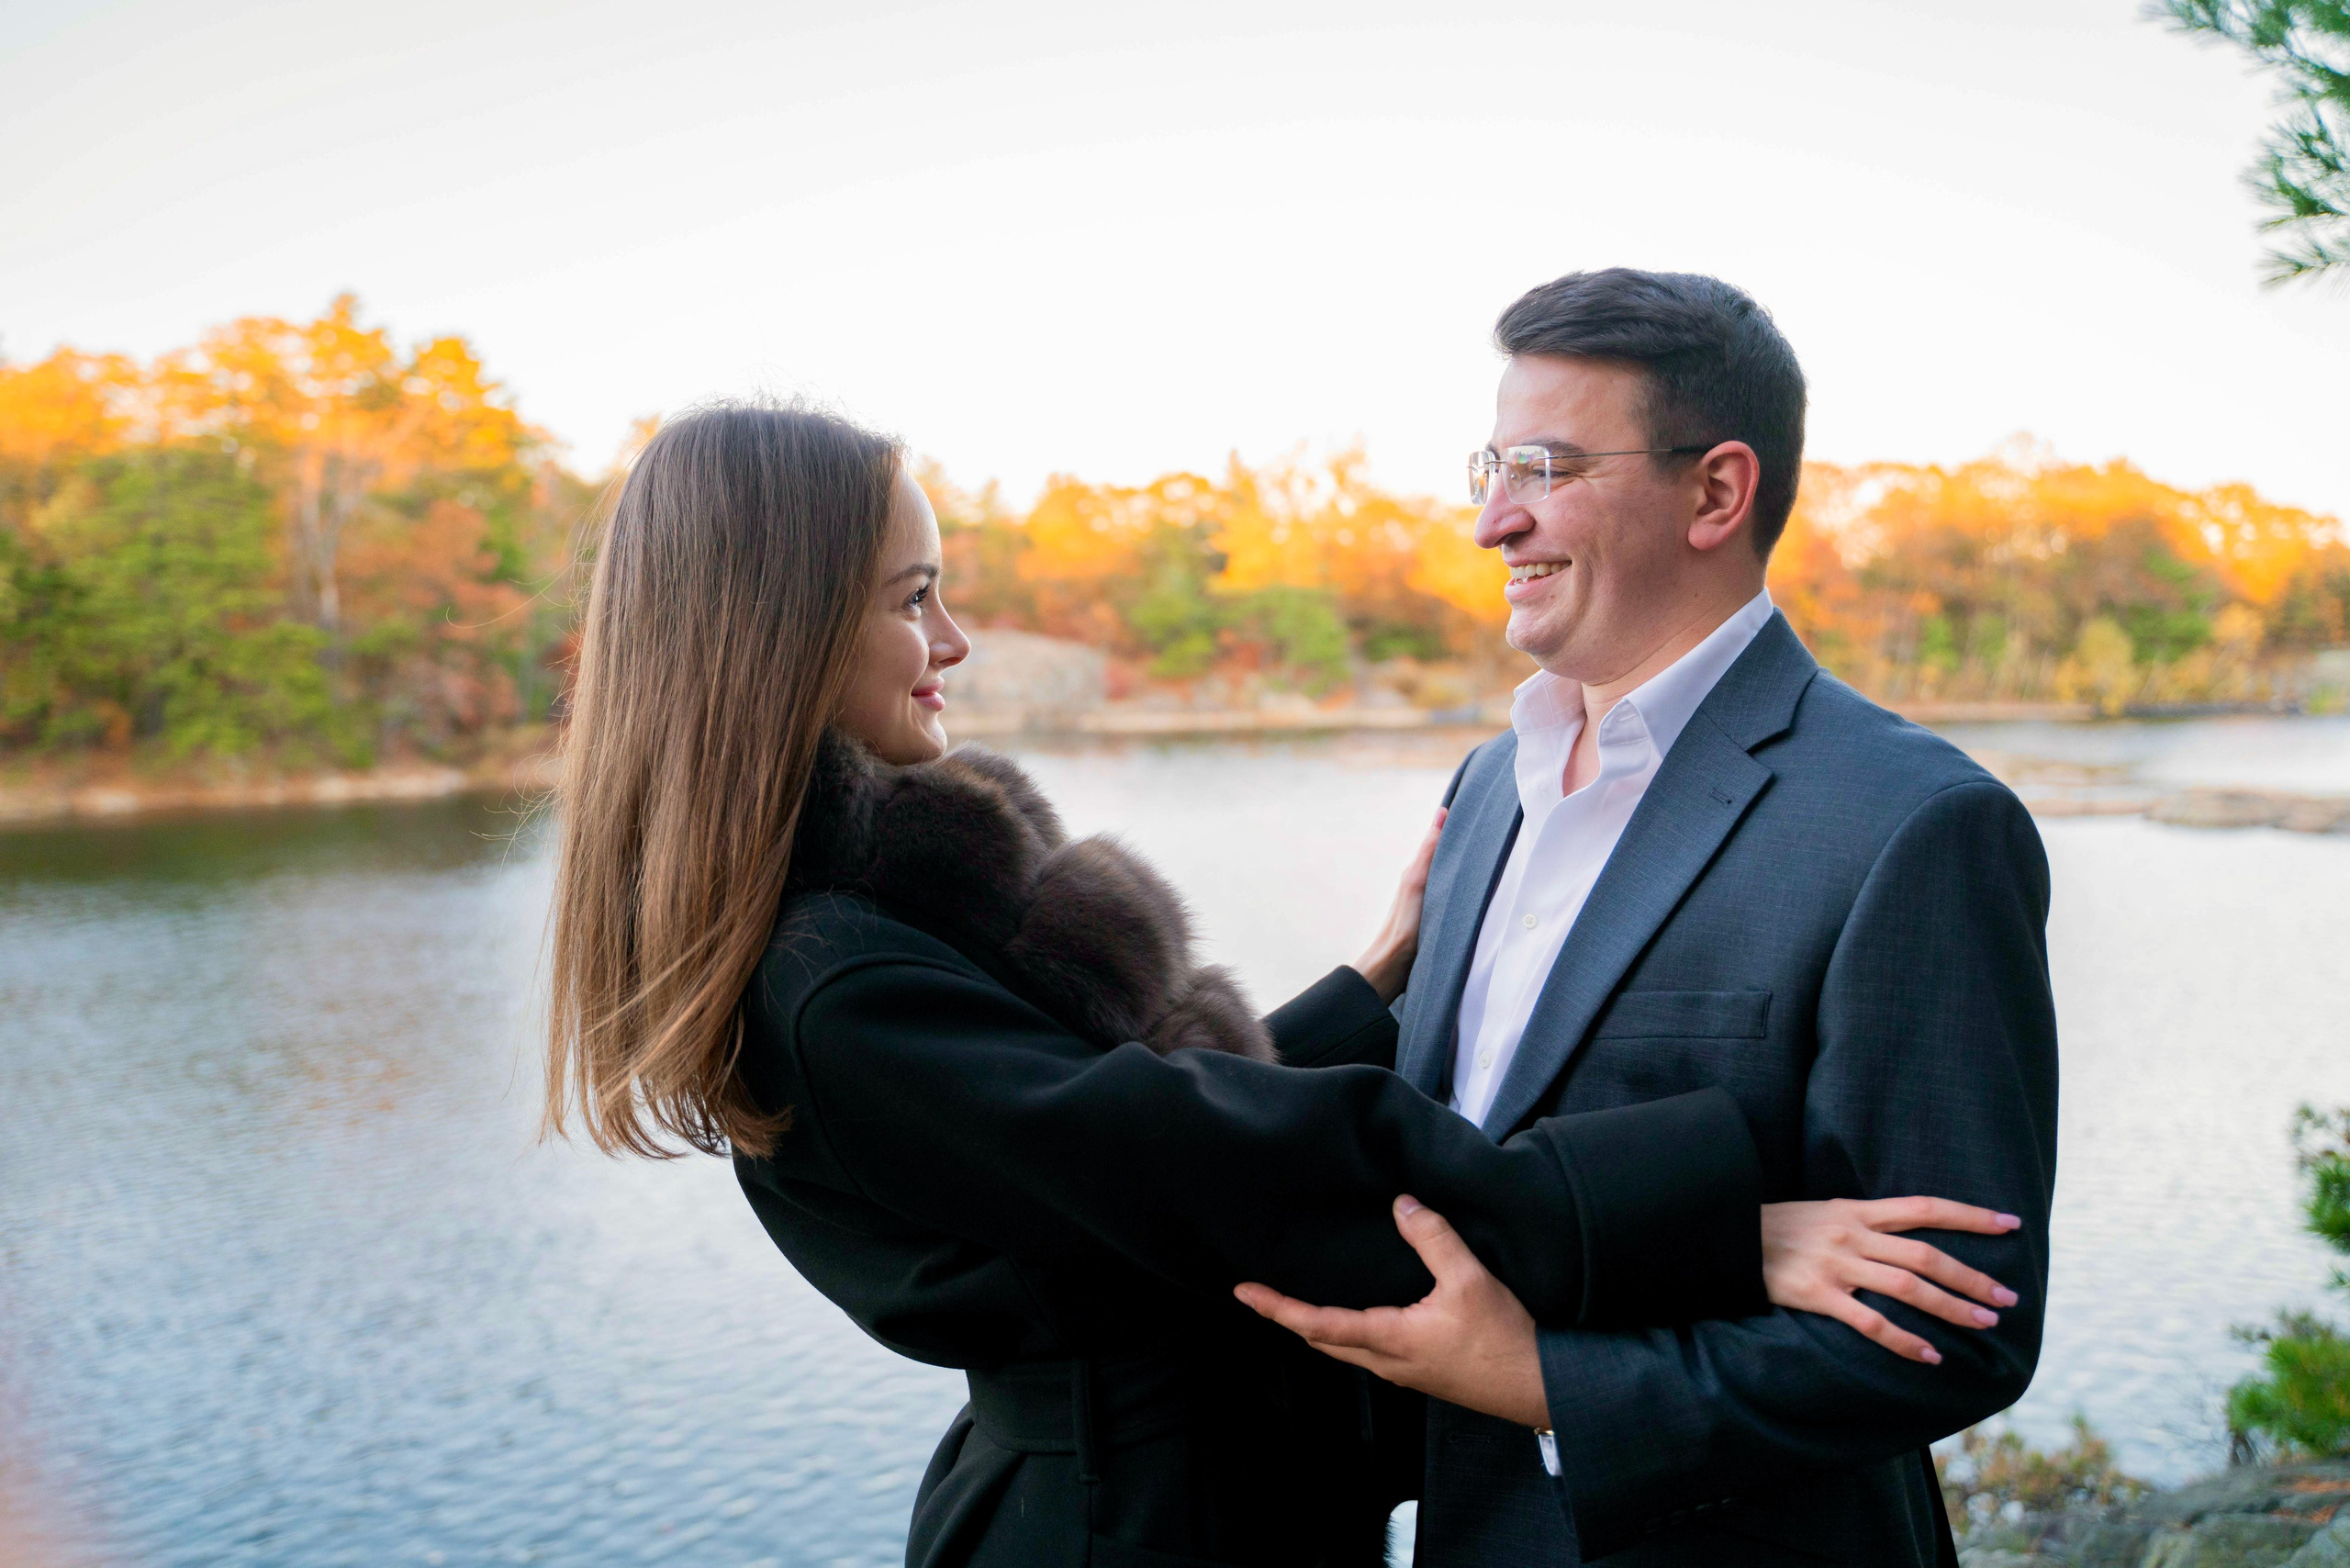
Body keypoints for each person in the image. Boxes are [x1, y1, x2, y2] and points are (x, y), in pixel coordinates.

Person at [541, 400, 2025, 1567]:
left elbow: (1124, 1122)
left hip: (1198, 1512)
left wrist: (1374, 981)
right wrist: (1717, 1232)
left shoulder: (864, 916)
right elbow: (1231, 1160)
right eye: (910, 598)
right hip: (1118, 1541)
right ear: (775, 637)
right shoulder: (839, 982)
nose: (954, 641)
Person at [1238, 268, 2060, 1567]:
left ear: (1717, 493)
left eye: (1549, 468)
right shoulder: (1484, 788)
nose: (1493, 522)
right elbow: (1456, 1167)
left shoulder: (1914, 826)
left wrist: (1547, 1385)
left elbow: (1960, 1326)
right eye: (1492, 467)